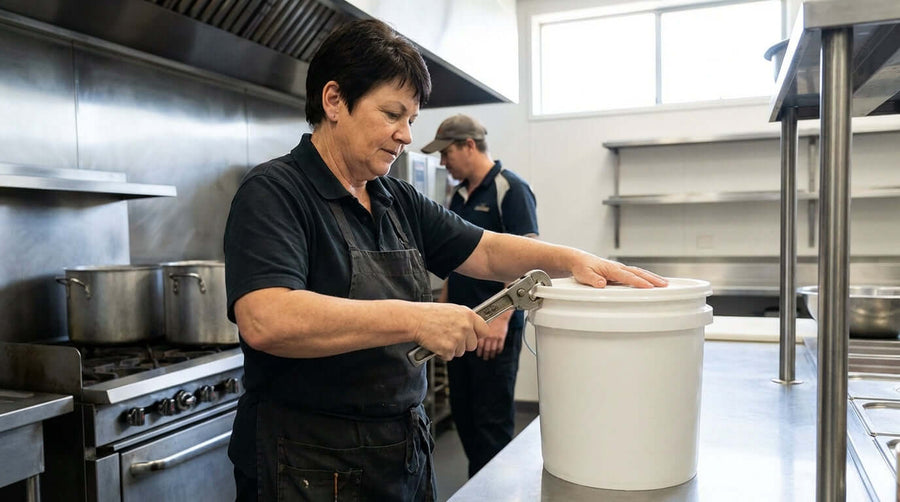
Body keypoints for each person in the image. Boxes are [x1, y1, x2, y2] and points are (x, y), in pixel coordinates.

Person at [223, 18, 667, 502]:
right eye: (393, 114)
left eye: (411, 119)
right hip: (309, 464)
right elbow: (266, 318)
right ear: (334, 101)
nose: (406, 136)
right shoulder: (275, 193)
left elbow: (489, 249)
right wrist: (417, 318)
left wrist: (575, 259)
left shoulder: (396, 199)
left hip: (402, 453)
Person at [421, 114, 538, 477]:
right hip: (461, 327)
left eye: (446, 153)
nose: (442, 163)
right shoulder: (456, 195)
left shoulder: (510, 189)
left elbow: (527, 261)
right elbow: (456, 260)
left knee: (491, 423)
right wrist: (442, 307)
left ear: (468, 146)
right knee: (466, 417)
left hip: (493, 331)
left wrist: (501, 320)